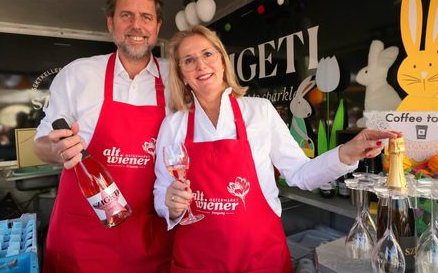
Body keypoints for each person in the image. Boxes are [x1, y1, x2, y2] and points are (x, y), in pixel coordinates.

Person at [154, 25, 401, 272]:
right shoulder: (173, 125)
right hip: (198, 261)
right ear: (182, 74)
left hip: (259, 257)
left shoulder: (259, 111)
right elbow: (162, 192)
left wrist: (345, 153)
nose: (201, 65)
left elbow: (300, 174)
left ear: (221, 61)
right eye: (189, 60)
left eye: (207, 54)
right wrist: (170, 206)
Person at [33, 0, 172, 272]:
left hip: (150, 239)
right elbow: (41, 142)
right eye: (126, 15)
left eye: (146, 17)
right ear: (111, 23)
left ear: (157, 26)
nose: (137, 25)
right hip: (82, 241)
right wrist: (56, 150)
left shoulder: (177, 79)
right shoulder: (78, 74)